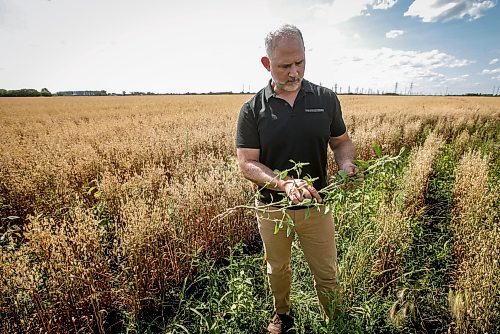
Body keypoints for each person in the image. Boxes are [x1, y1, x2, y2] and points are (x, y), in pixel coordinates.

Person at [235, 24, 357, 333]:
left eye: (300, 62)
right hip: (272, 208)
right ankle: (283, 315)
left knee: (327, 270)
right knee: (277, 269)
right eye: (284, 65)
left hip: (317, 207)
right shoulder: (252, 109)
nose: (294, 72)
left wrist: (346, 164)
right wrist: (284, 183)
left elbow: (341, 141)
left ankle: (334, 320)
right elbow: (248, 164)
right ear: (267, 64)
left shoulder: (326, 99)